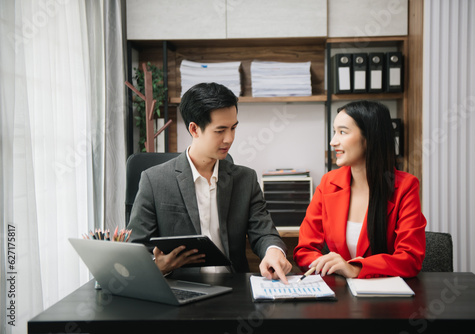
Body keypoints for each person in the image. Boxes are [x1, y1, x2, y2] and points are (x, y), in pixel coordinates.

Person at [128, 82, 292, 282]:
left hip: (234, 290)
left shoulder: (246, 180)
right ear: (194, 129)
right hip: (182, 290)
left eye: (233, 128)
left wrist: (274, 251)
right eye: (220, 130)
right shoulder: (154, 181)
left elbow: (264, 232)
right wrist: (158, 266)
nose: (229, 138)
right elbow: (136, 251)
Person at [293, 100, 426, 279]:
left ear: (370, 137)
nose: (333, 142)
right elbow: (305, 250)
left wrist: (355, 268)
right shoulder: (328, 184)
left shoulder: (405, 187)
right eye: (334, 132)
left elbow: (410, 259)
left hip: (385, 296)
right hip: (339, 294)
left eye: (342, 132)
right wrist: (326, 264)